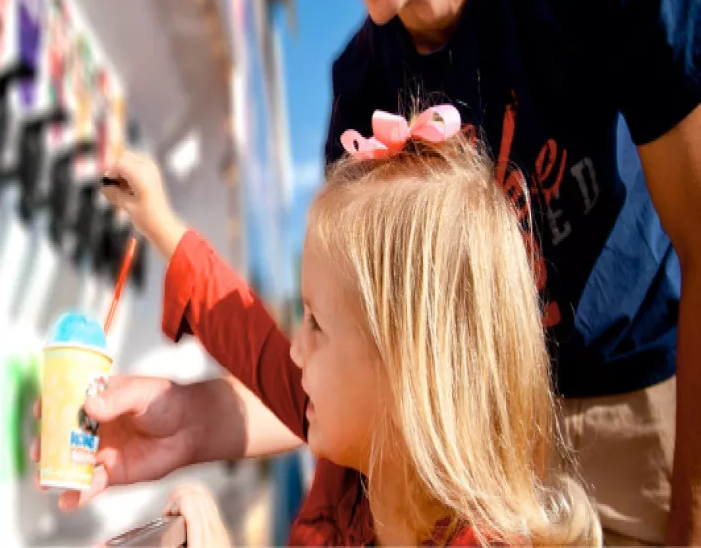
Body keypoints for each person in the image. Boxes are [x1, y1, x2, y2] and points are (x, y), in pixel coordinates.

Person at [293, 0, 701, 544]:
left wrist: (691, 520)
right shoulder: (360, 92)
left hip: (646, 412)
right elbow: (348, 357)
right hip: (477, 462)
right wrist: (201, 418)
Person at [36, 107, 602, 545]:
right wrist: (157, 221)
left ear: (414, 375)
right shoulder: (358, 448)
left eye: (316, 326)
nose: (296, 350)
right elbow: (249, 336)